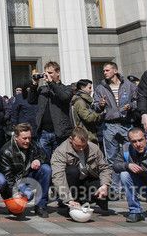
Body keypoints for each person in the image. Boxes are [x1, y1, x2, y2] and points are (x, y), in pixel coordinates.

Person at [93, 62, 137, 195]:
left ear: (115, 71)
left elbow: (137, 101)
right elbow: (95, 106)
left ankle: (131, 185)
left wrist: (131, 106)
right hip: (110, 125)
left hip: (126, 124)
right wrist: (100, 105)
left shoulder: (129, 85)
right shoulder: (101, 88)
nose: (104, 72)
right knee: (111, 157)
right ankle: (115, 188)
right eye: (103, 70)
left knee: (130, 155)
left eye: (107, 70)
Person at [50, 126, 112, 213]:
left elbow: (104, 168)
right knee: (73, 171)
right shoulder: (61, 151)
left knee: (109, 191)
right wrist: (68, 199)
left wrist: (105, 185)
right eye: (78, 146)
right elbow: (58, 176)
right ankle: (70, 202)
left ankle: (86, 199)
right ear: (71, 139)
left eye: (84, 145)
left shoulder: (94, 148)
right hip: (70, 182)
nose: (81, 148)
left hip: (87, 179)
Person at [0, 122, 51, 217]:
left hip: (28, 176)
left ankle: (41, 206)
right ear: (16, 137)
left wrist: (38, 160)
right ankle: (13, 202)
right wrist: (14, 193)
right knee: (28, 194)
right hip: (15, 181)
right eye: (24, 138)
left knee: (46, 169)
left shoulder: (33, 144)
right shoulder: (6, 151)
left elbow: (45, 157)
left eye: (29, 138)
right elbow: (8, 177)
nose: (27, 141)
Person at [26, 61, 73, 159]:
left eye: (50, 73)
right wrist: (34, 84)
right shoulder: (43, 89)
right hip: (43, 132)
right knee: (44, 160)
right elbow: (31, 100)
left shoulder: (67, 88)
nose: (47, 76)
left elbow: (64, 97)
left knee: (60, 160)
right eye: (46, 73)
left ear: (58, 73)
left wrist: (51, 83)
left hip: (60, 132)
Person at [70, 79, 104, 143]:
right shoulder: (80, 102)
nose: (91, 90)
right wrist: (101, 114)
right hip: (85, 135)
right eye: (89, 88)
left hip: (87, 134)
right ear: (82, 88)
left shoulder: (84, 100)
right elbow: (88, 118)